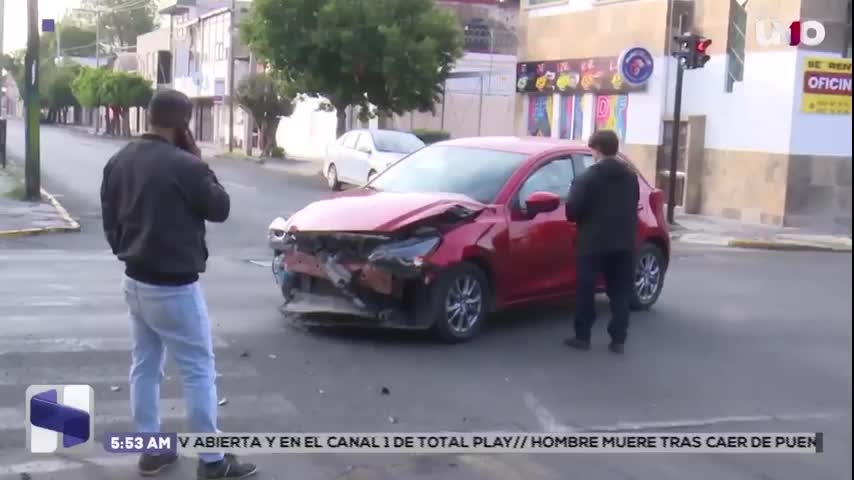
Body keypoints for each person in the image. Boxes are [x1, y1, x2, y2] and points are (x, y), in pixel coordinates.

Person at [100, 89, 258, 478]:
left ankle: (151, 450)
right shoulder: (186, 165)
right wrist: (198, 161)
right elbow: (220, 208)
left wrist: (128, 249)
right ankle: (213, 460)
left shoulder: (119, 160)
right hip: (174, 286)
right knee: (198, 370)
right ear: (183, 124)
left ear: (151, 117)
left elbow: (110, 221)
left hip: (134, 279)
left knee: (145, 365)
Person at [564, 129, 639, 354]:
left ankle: (582, 336)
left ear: (596, 150)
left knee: (586, 290)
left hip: (592, 244)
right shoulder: (631, 177)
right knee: (620, 291)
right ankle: (618, 339)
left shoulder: (587, 178)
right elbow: (634, 202)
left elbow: (572, 211)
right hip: (624, 243)